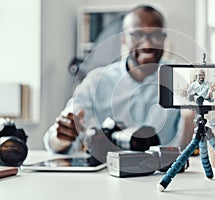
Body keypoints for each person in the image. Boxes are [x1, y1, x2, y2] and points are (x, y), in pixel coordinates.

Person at [43, 5, 194, 154]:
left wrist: (189, 118)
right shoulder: (96, 81)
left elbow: (192, 147)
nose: (148, 45)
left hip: (167, 172)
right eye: (137, 35)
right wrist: (62, 137)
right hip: (107, 174)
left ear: (163, 39)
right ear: (123, 39)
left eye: (155, 36)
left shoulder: (181, 77)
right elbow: (54, 140)